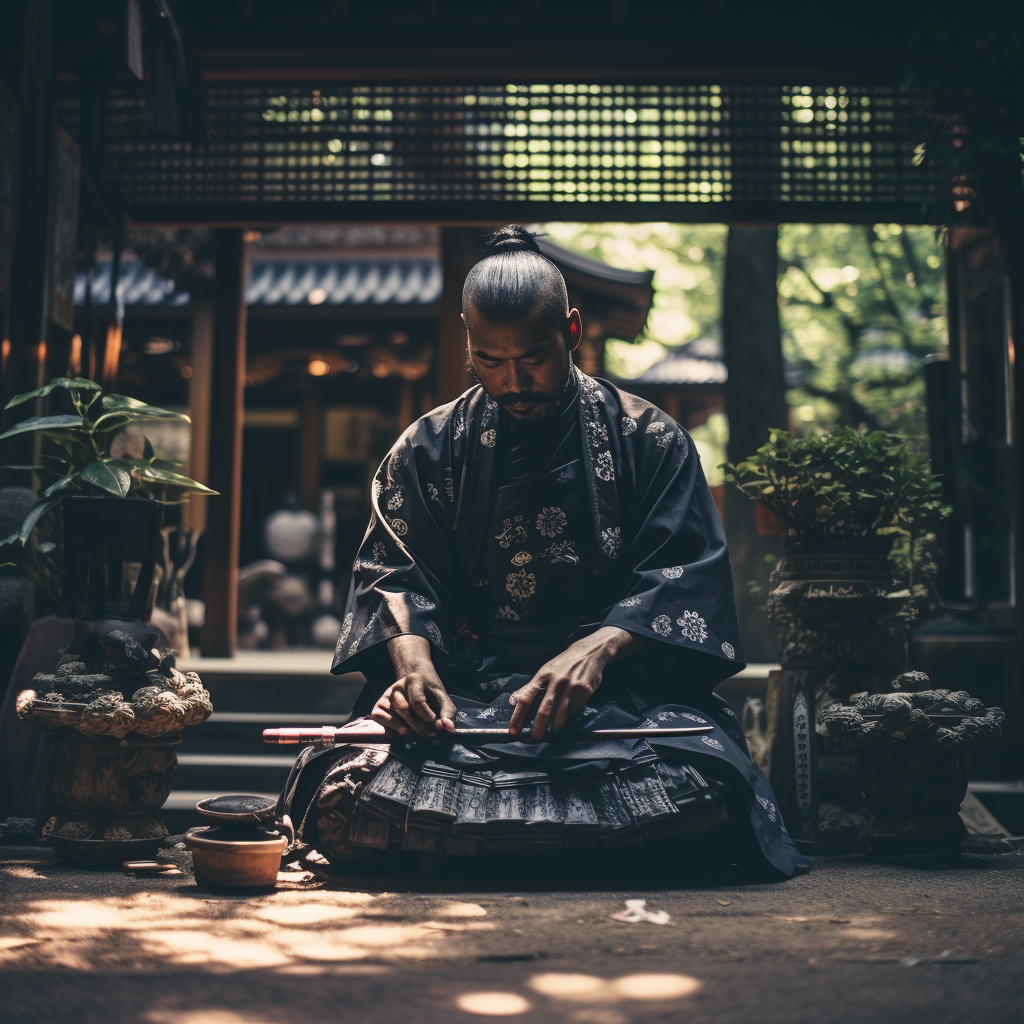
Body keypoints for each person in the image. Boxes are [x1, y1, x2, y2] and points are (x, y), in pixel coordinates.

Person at [278, 226, 803, 877]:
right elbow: (394, 575)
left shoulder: (651, 441)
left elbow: (684, 574)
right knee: (344, 788)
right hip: (464, 693)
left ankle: (471, 847)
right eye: (489, 362)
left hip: (618, 697)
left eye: (533, 357)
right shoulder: (427, 448)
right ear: (467, 341)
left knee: (708, 786)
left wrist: (597, 649)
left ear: (573, 330)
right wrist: (415, 672)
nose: (513, 380)